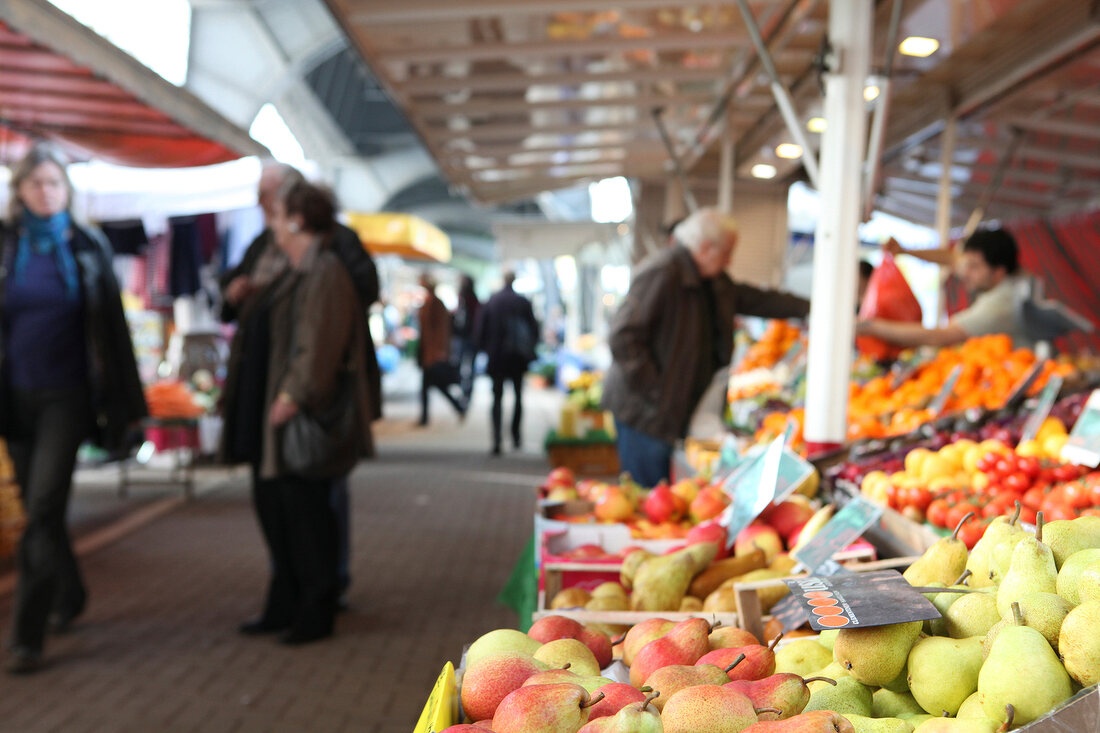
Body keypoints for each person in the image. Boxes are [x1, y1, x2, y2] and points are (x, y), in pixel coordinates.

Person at [0, 143, 147, 674]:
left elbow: (113, 332)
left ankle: (27, 635)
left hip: (68, 396)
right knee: (45, 510)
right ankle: (73, 592)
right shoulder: (5, 244)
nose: (46, 192)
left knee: (40, 508)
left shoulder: (87, 246)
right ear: (19, 190)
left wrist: (129, 404)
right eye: (36, 183)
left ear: (67, 190)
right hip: (13, 397)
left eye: (54, 184)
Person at [220, 161, 378, 607]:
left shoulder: (323, 263)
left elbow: (319, 338)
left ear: (295, 213)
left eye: (270, 199)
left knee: (309, 506)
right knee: (281, 506)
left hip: (302, 406)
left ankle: (318, 597)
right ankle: (289, 596)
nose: (263, 208)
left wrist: (294, 394)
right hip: (267, 395)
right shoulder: (275, 257)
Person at [602, 207, 810, 488]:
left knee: (664, 493)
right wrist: (656, 391)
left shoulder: (712, 280)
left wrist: (811, 307)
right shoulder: (662, 274)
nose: (729, 261)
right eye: (726, 252)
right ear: (705, 248)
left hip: (668, 412)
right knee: (648, 493)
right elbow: (623, 337)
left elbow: (756, 299)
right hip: (645, 417)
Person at [858, 228, 1033, 348]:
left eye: (973, 267)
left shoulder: (1002, 302)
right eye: (966, 265)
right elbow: (951, 259)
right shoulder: (999, 277)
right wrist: (905, 251)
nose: (965, 272)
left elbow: (939, 336)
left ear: (998, 272)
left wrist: (871, 327)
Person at [476, 271, 540, 455]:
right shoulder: (522, 302)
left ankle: (496, 439)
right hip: (517, 357)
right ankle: (516, 436)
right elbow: (534, 329)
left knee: (497, 398)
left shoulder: (492, 301)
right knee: (519, 396)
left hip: (497, 357)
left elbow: (480, 330)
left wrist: (484, 350)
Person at [417, 273, 466, 425]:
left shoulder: (436, 304)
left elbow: (441, 331)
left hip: (434, 354)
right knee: (432, 386)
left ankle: (456, 407)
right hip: (429, 353)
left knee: (433, 385)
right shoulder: (429, 303)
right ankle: (456, 407)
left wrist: (441, 351)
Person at [452, 274, 481, 405]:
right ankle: (466, 389)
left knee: (462, 364)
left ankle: (465, 389)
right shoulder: (473, 298)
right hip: (468, 337)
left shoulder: (466, 298)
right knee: (468, 366)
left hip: (465, 337)